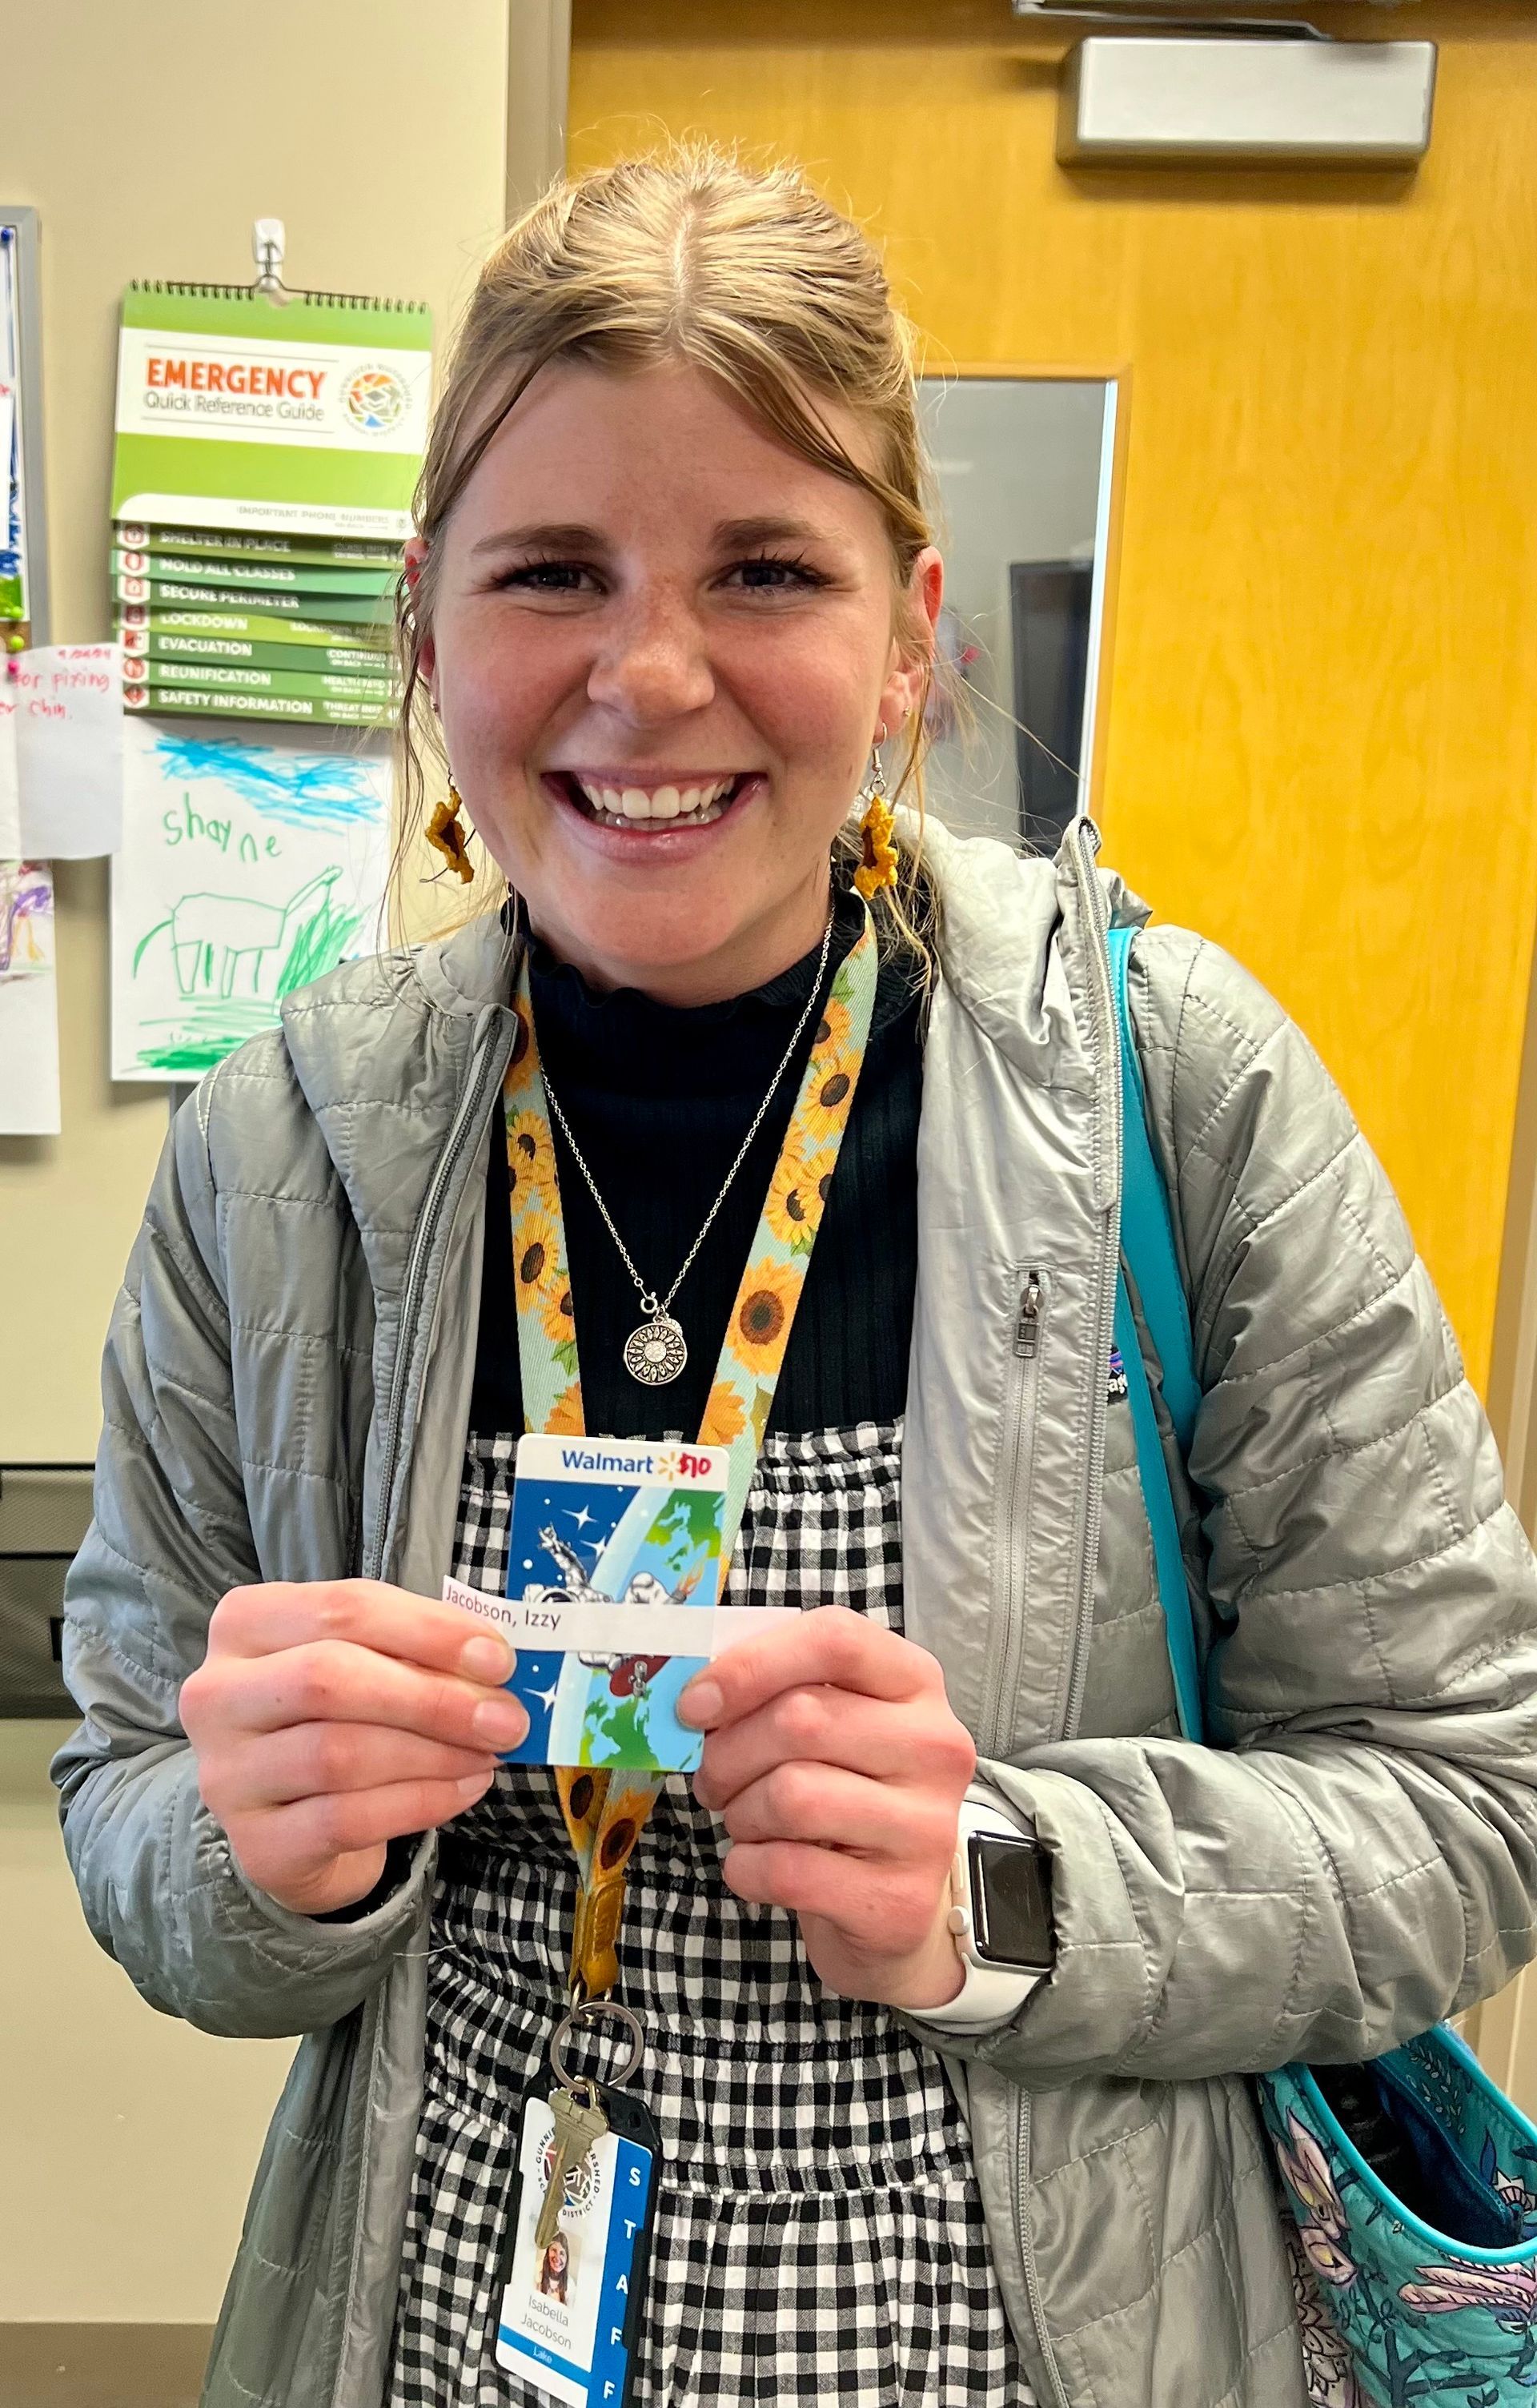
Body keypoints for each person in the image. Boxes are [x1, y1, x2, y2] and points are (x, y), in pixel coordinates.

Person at [52, 142, 1537, 2408]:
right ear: (429, 633)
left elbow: (1466, 1810)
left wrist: (1008, 1882)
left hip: (1036, 2345)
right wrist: (264, 1857)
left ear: (914, 632)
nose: (651, 676)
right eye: (555, 571)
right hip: (450, 2322)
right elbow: (130, 1790)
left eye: (765, 568)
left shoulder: (1176, 1095)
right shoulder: (295, 1157)